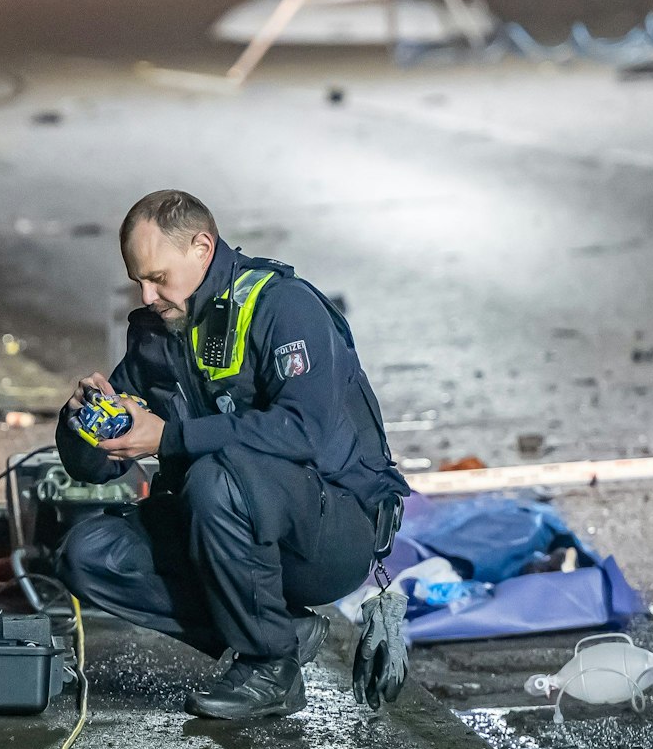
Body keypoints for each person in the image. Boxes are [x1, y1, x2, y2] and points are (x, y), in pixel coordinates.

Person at [54, 190, 407, 720]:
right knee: (88, 554)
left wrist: (169, 438)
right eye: (137, 281)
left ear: (202, 246)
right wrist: (81, 424)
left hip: (331, 530)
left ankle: (270, 666)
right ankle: (278, 627)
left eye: (157, 277)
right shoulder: (159, 332)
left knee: (214, 479)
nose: (147, 294)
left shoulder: (283, 306)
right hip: (224, 523)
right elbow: (98, 466)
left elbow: (304, 430)